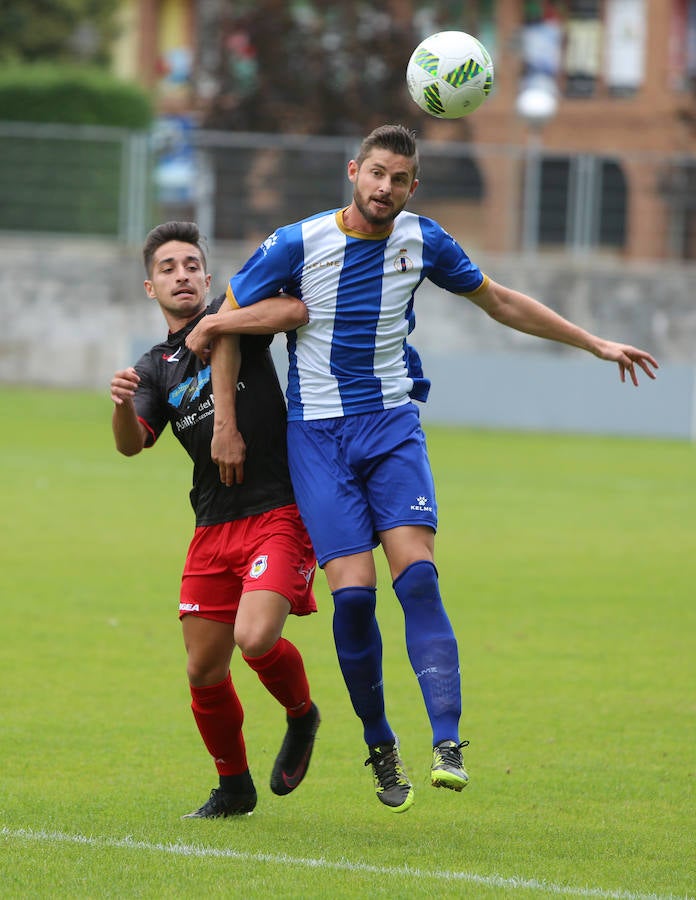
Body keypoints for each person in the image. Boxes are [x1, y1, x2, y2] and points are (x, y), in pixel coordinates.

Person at [185, 125, 658, 814]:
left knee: (421, 578)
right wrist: (225, 424)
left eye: (398, 179)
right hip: (317, 440)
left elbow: (498, 300)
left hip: (392, 429)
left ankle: (447, 740)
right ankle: (380, 741)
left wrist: (592, 342)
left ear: (412, 187)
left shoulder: (424, 240)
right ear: (354, 171)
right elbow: (224, 326)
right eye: (375, 173)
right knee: (353, 595)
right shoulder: (297, 242)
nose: (384, 188)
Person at [110, 220, 320, 819]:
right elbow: (132, 445)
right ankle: (234, 788)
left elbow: (295, 310)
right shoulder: (155, 368)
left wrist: (222, 320)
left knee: (255, 638)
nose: (181, 275)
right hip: (211, 527)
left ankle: (302, 716)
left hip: (277, 510)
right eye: (167, 268)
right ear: (151, 287)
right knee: (203, 670)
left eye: (190, 265)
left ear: (206, 274)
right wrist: (123, 406)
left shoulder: (234, 313)